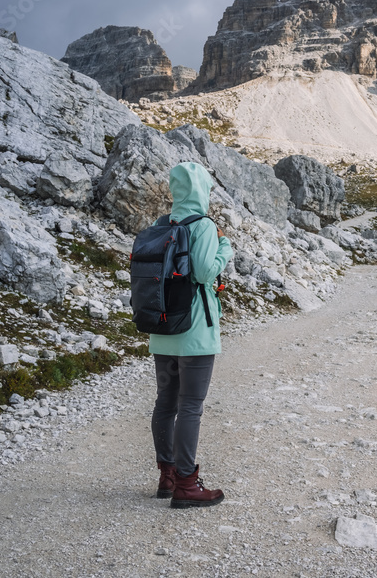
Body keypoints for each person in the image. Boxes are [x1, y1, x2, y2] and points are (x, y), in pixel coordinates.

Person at [149, 162, 234, 509]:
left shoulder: (160, 226)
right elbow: (204, 272)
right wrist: (224, 248)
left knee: (166, 403)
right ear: (201, 190)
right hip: (195, 334)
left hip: (163, 330)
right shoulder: (202, 226)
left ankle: (167, 475)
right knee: (190, 407)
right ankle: (187, 483)